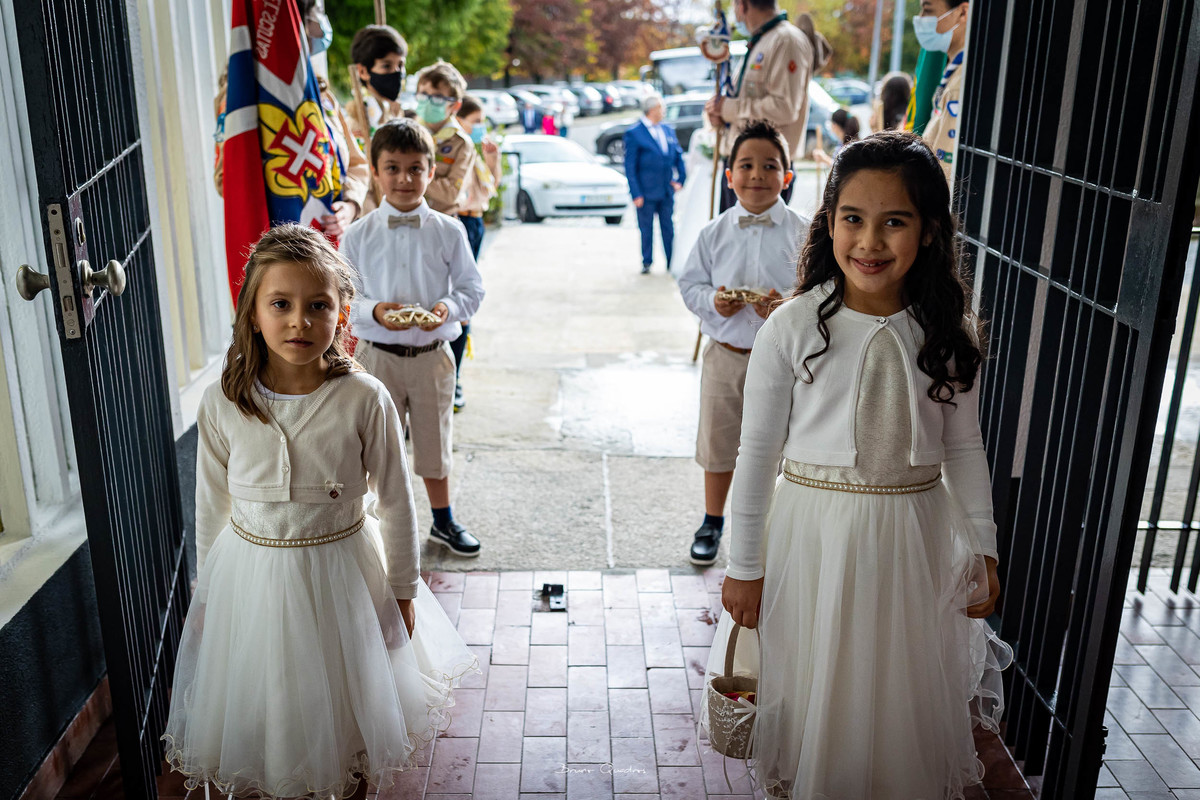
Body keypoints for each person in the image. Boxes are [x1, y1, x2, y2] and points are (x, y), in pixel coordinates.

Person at [709, 132, 1010, 798]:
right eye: (853, 219)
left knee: (899, 689)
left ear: (929, 231)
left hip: (914, 540)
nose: (869, 242)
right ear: (829, 223)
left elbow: (963, 447)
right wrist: (744, 565)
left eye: (893, 222)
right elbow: (755, 454)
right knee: (821, 684)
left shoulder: (948, 330)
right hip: (815, 539)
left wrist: (982, 547)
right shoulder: (791, 327)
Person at [162, 224, 477, 799]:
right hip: (253, 579)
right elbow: (212, 505)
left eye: (318, 306)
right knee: (274, 703)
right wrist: (208, 592)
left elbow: (396, 501)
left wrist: (403, 588)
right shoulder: (224, 402)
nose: (299, 321)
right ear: (252, 312)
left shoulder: (364, 398)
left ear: (344, 312)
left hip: (346, 575)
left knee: (350, 707)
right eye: (280, 304)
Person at [342, 119, 485, 557]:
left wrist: (446, 308)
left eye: (416, 168)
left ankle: (443, 520)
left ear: (430, 170)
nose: (405, 179)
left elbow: (471, 289)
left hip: (431, 354)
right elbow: (346, 299)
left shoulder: (448, 230)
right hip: (376, 355)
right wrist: (376, 311)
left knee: (434, 440)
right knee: (376, 444)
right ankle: (371, 524)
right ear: (376, 170)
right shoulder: (358, 233)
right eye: (393, 168)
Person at [676, 121, 809, 565]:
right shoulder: (714, 232)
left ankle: (770, 524)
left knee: (779, 442)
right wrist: (713, 302)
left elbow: (818, 292)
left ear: (786, 177)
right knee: (719, 442)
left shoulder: (805, 232)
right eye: (746, 165)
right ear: (729, 174)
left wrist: (786, 306)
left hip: (784, 362)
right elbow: (689, 283)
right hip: (726, 355)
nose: (757, 175)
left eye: (769, 166)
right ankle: (712, 521)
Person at [213, 0, 368, 238]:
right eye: (315, 14)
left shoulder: (322, 93)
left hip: (332, 242)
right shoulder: (240, 101)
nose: (320, 27)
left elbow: (356, 163)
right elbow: (229, 180)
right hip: (283, 247)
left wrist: (350, 206)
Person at [704, 2, 831, 212]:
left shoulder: (786, 40)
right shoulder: (761, 41)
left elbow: (784, 107)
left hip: (764, 173)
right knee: (730, 243)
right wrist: (721, 116)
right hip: (739, 165)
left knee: (760, 243)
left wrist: (729, 109)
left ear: (743, 5)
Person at [450, 96, 502, 412]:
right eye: (476, 120)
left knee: (466, 297)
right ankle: (452, 378)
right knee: (458, 299)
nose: (480, 127)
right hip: (460, 222)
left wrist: (492, 160)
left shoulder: (473, 151)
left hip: (475, 222)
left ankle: (455, 375)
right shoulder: (455, 151)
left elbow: (488, 191)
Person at [624, 94, 687, 274]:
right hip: (646, 191)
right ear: (652, 110)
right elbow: (630, 166)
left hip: (666, 190)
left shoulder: (667, 130)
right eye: (660, 108)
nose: (663, 111)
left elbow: (677, 156)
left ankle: (671, 260)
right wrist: (636, 193)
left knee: (668, 227)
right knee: (646, 228)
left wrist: (680, 179)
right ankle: (647, 261)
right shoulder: (635, 133)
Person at [413, 61, 477, 220]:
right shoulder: (406, 134)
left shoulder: (461, 143)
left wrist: (412, 177)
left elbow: (451, 194)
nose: (428, 102)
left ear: (455, 106)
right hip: (408, 220)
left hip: (443, 221)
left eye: (437, 97)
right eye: (423, 94)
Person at [915, 0, 970, 183]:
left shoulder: (960, 84)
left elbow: (945, 173)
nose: (920, 19)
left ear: (962, 13)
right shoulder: (955, 74)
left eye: (928, 10)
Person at [347, 24, 408, 143]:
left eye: (400, 65)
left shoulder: (394, 110)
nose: (396, 73)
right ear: (363, 71)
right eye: (386, 66)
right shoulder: (357, 118)